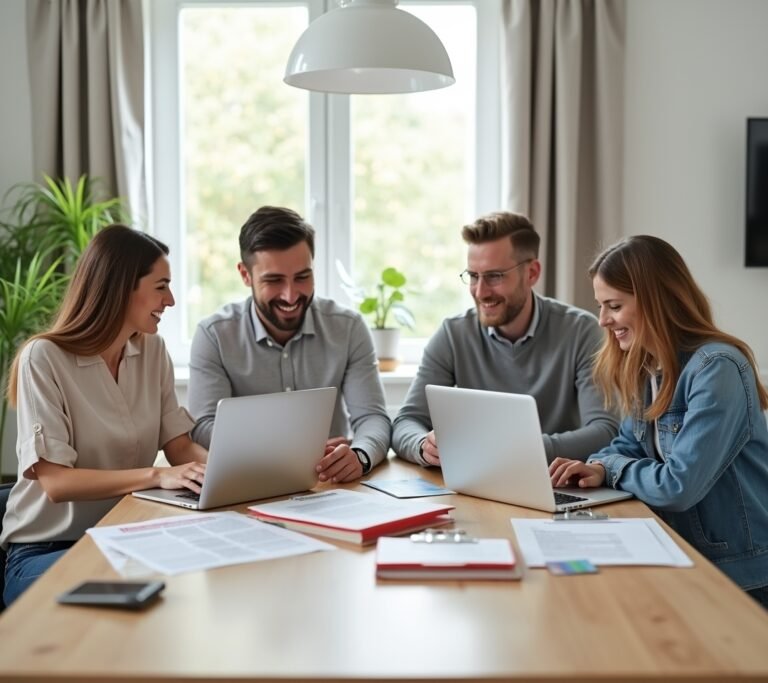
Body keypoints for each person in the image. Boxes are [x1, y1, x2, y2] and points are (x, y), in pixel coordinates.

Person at [549, 235, 768, 607]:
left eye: (614, 306)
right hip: (684, 555)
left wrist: (609, 467)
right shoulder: (649, 366)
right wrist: (596, 467)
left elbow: (678, 486)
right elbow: (627, 445)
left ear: (655, 301)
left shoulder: (717, 368)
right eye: (601, 306)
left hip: (741, 576)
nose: (603, 320)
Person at [1, 225, 207, 606]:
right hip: (46, 551)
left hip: (123, 536)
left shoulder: (153, 352)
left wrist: (232, 472)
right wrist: (156, 475)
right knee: (150, 585)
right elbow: (57, 483)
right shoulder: (43, 359)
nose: (171, 300)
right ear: (121, 287)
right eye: (161, 287)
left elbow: (179, 447)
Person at [393, 211, 619, 466]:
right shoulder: (453, 334)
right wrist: (423, 446)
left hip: (555, 481)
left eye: (494, 276)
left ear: (532, 273)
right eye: (473, 276)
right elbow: (406, 422)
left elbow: (606, 430)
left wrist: (515, 449)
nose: (481, 292)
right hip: (477, 478)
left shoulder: (581, 331)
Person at [188, 206, 391, 482]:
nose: (291, 295)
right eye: (274, 280)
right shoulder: (214, 335)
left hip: (331, 484)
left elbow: (373, 418)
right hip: (253, 483)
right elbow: (204, 426)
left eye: (302, 277)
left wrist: (360, 455)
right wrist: (286, 452)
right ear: (245, 275)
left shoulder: (348, 328)